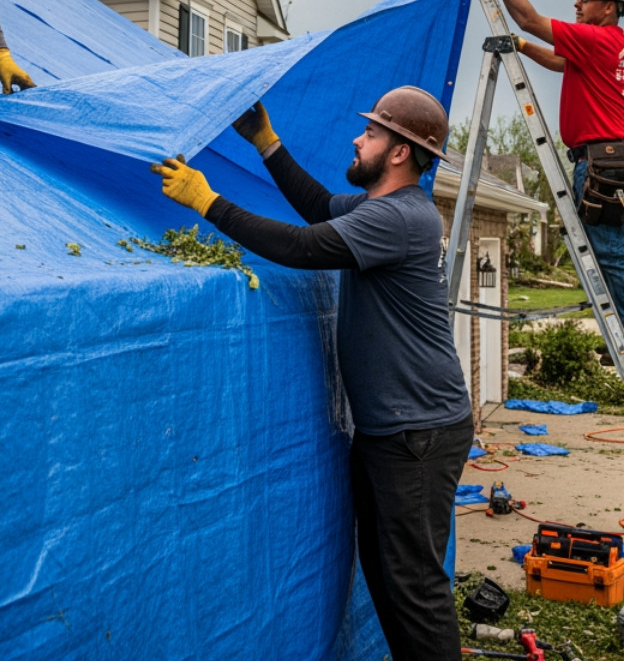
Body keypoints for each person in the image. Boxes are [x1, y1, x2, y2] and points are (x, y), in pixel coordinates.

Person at [151, 88, 473, 661]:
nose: (358, 137)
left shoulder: (401, 218)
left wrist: (208, 202)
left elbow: (302, 248)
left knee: (415, 589)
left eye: (371, 133)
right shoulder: (380, 209)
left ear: (399, 152)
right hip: (392, 430)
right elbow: (319, 208)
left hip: (417, 435)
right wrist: (266, 144)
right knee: (388, 580)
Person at [474, 0, 624, 366]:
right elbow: (560, 62)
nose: (577, 4)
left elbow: (528, 17)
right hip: (607, 159)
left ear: (608, 7)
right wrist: (521, 47)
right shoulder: (605, 45)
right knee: (609, 252)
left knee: (613, 253)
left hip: (602, 161)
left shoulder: (600, 39)